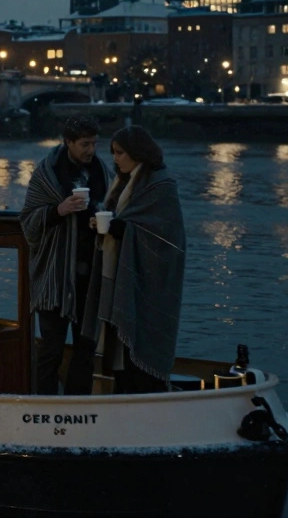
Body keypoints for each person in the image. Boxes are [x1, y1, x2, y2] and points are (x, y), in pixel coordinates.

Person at [82, 125, 187, 394]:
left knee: (141, 343)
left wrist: (120, 229)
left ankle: (144, 398)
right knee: (123, 350)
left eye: (119, 153)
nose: (114, 159)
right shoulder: (124, 183)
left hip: (149, 283)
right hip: (122, 275)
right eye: (113, 153)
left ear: (137, 153)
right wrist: (102, 224)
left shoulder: (161, 185)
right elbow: (124, 220)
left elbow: (166, 240)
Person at [21, 115, 110, 395]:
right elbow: (28, 223)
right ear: (68, 142)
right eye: (84, 144)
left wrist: (102, 218)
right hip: (54, 279)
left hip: (89, 276)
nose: (90, 150)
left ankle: (77, 407)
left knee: (86, 348)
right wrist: (59, 210)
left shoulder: (102, 173)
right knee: (51, 350)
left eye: (94, 144)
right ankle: (44, 407)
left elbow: (113, 206)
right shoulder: (46, 174)